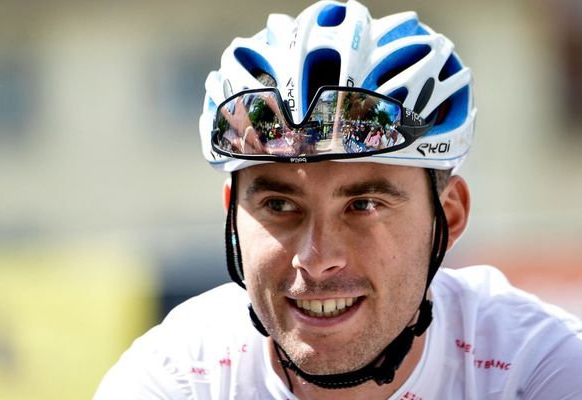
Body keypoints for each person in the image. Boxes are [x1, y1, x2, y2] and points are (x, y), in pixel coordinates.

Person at [94, 1, 582, 399]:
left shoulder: (534, 368)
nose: (317, 257)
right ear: (232, 217)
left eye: (364, 205)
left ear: (448, 219)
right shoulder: (180, 377)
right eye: (279, 206)